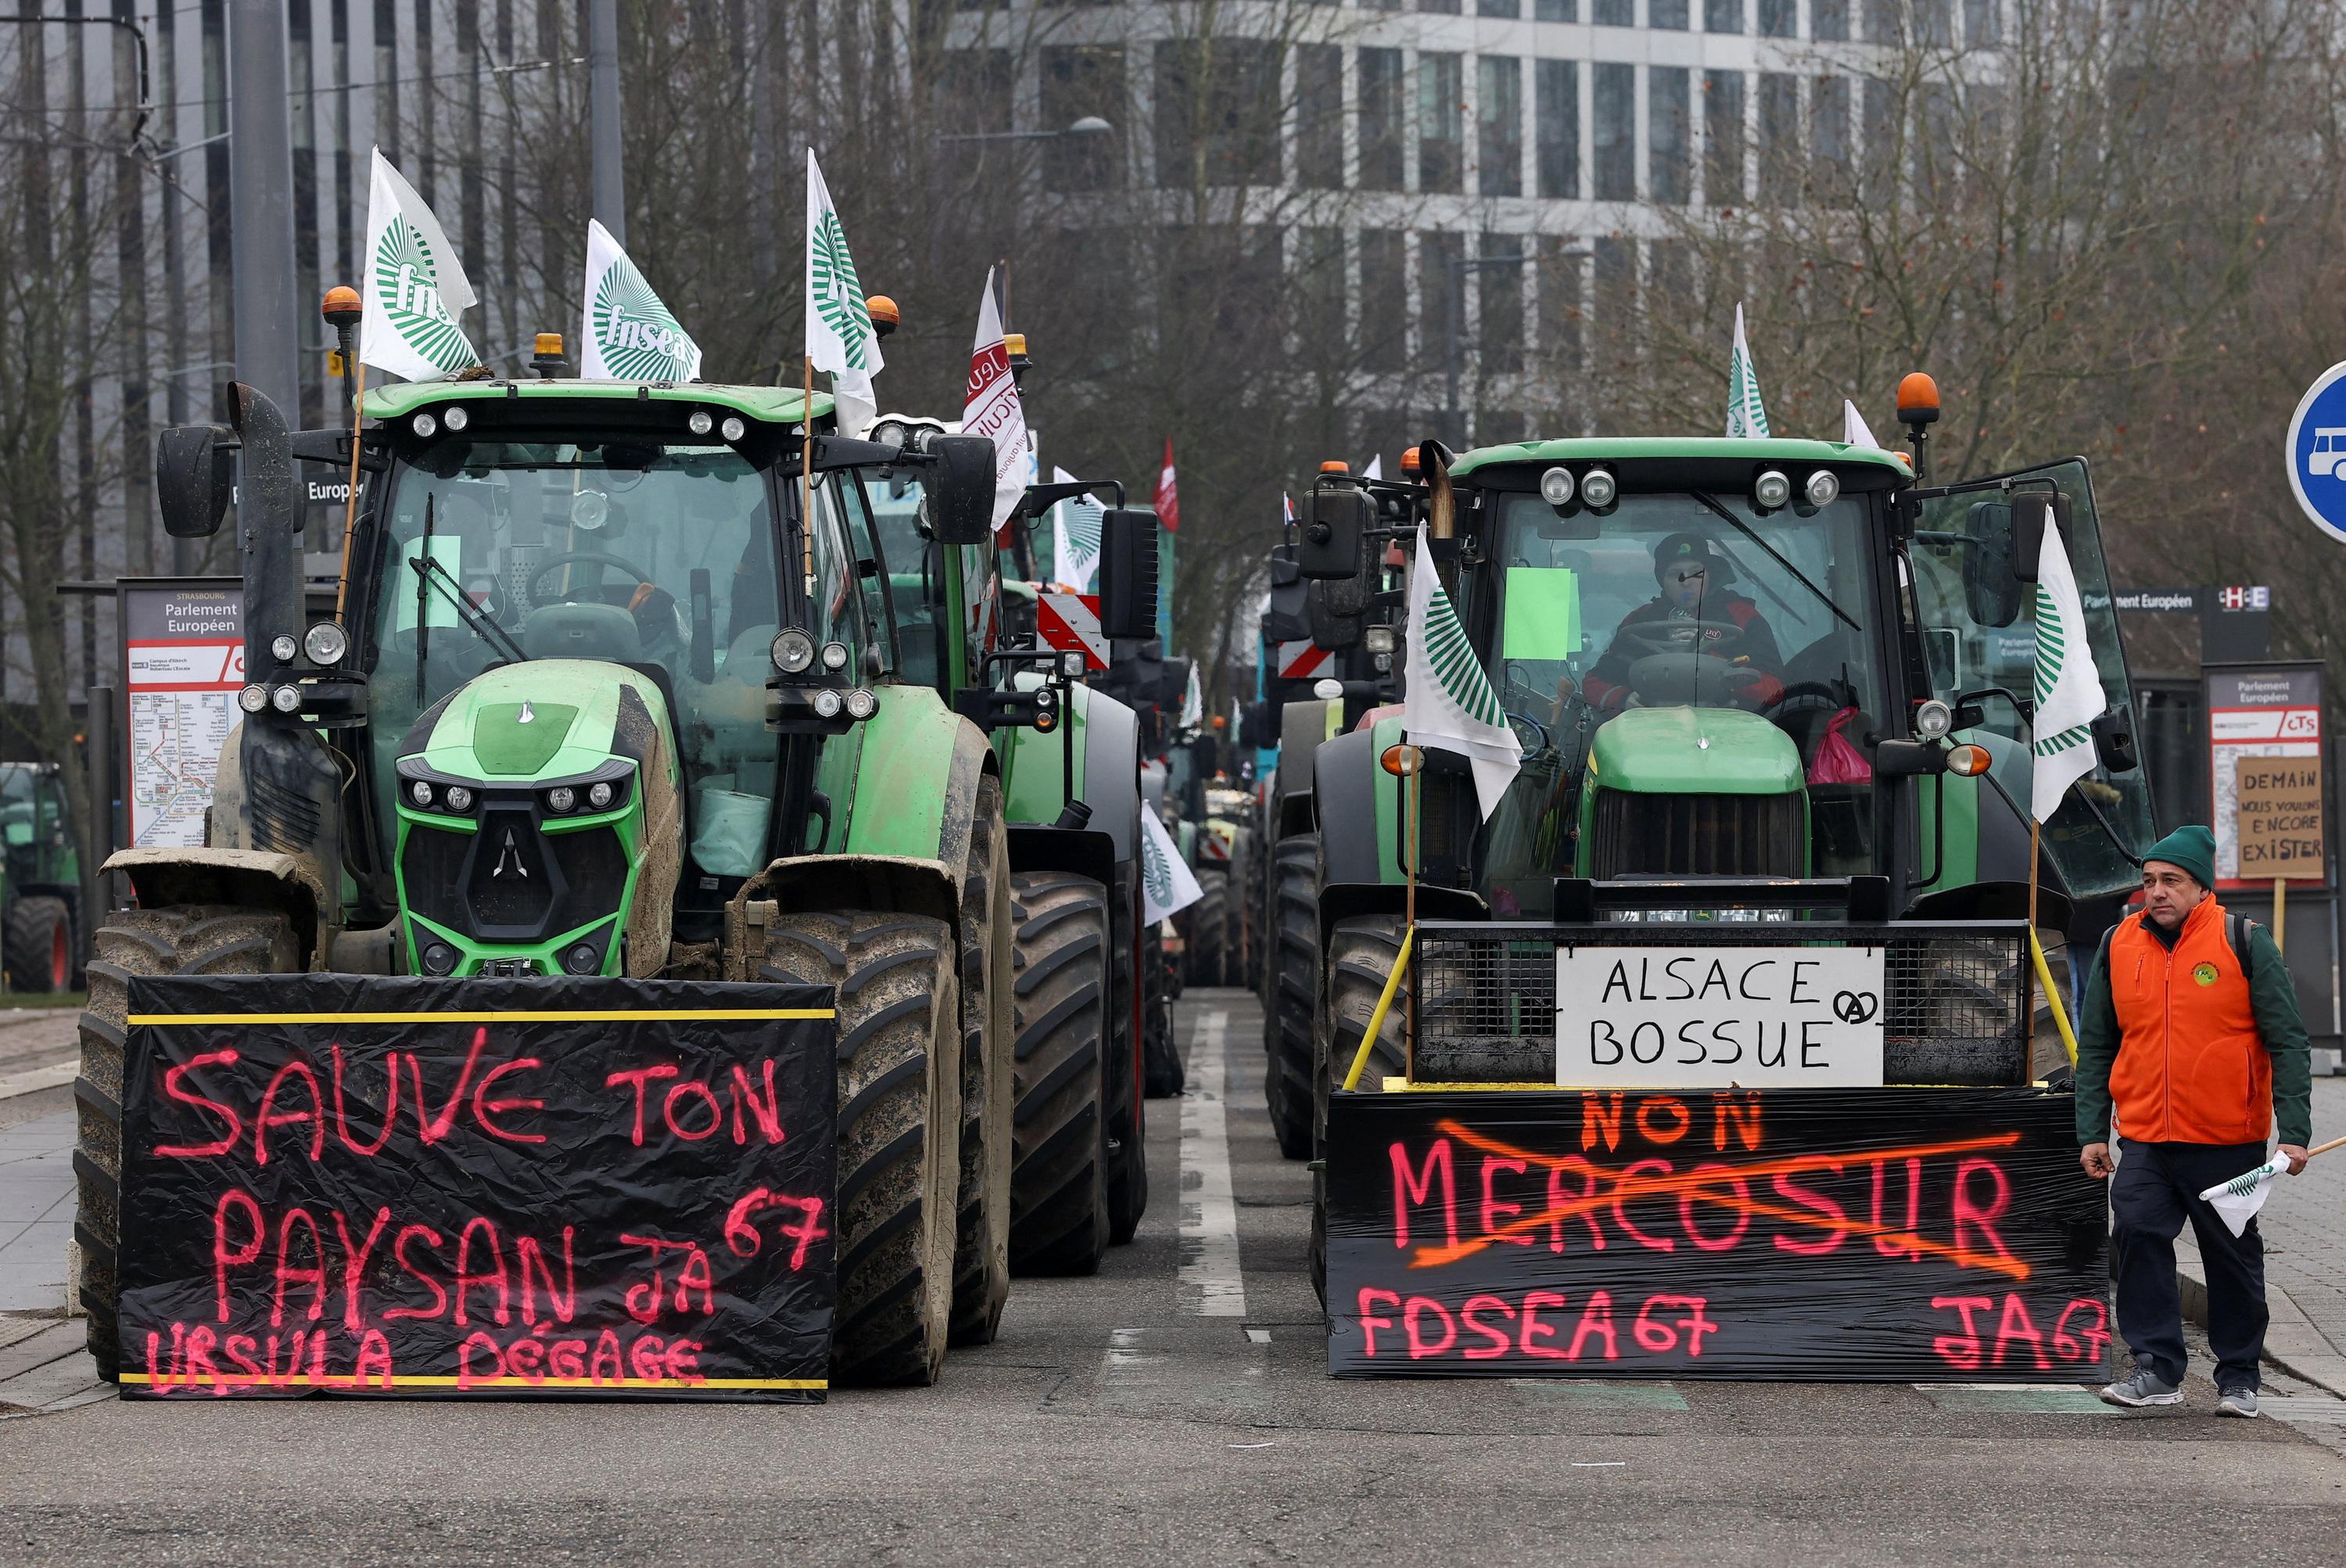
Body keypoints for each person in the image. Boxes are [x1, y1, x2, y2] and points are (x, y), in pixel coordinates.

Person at [2075, 824, 2312, 1417]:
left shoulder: (2244, 940)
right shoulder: (2117, 942)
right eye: (2150, 880)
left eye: (2172, 881)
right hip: (2146, 1137)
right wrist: (2092, 1131)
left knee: (2231, 1259)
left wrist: (2296, 1132)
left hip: (2227, 1140)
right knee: (2137, 1234)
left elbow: (2288, 1041)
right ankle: (2156, 1368)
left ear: (2201, 888)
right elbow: (2097, 1043)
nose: (2157, 891)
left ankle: (2239, 1378)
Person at [1571, 533, 1785, 713]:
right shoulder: (1639, 621)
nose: (1686, 583)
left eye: (1696, 573)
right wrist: (1623, 699)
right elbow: (1594, 682)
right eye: (1675, 575)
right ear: (1661, 580)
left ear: (1709, 575)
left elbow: (1775, 689)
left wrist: (1711, 661)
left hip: (1729, 729)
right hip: (1649, 730)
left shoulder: (1742, 616)